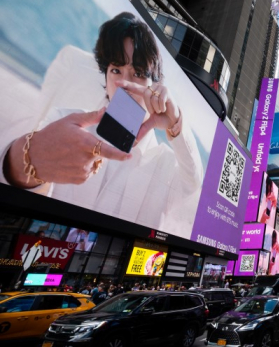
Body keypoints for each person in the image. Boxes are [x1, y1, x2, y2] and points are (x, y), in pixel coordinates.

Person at [0, 13, 203, 236]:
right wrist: (27, 159)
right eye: (116, 70)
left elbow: (192, 183)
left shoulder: (164, 163)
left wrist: (176, 125)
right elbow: (25, 195)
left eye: (137, 73)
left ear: (154, 85)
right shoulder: (68, 122)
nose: (124, 84)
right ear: (105, 78)